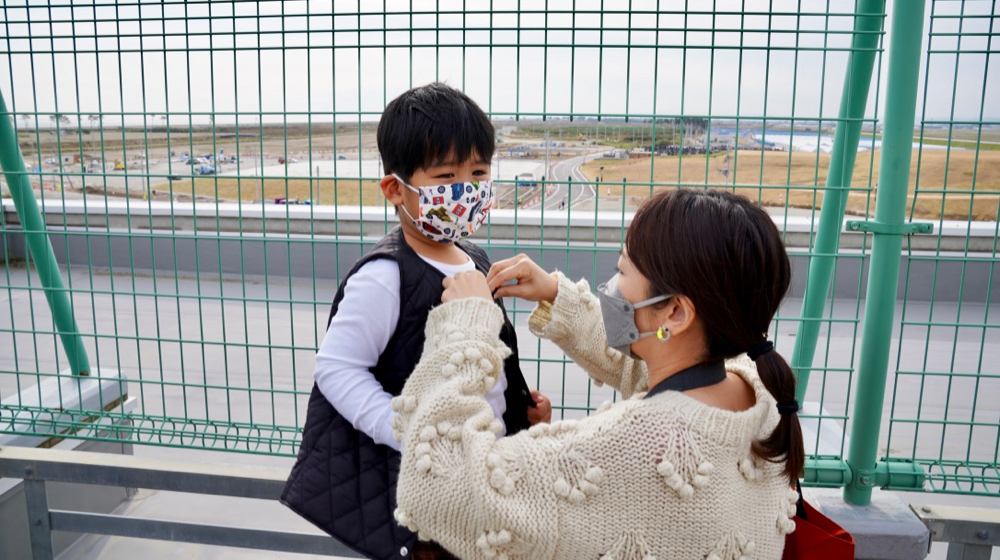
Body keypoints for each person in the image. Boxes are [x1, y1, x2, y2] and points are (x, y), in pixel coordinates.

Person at [391, 188, 804, 559]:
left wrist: (467, 328)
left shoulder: (626, 448)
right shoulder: (761, 389)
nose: (613, 285)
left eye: (623, 271)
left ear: (675, 312)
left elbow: (442, 490)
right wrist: (558, 296)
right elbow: (652, 365)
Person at [281, 83, 551, 560]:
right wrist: (406, 427)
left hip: (481, 480)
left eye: (478, 172)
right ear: (395, 189)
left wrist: (518, 415)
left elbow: (485, 360)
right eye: (446, 175)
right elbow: (337, 370)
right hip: (425, 502)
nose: (466, 189)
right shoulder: (386, 278)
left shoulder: (476, 260)